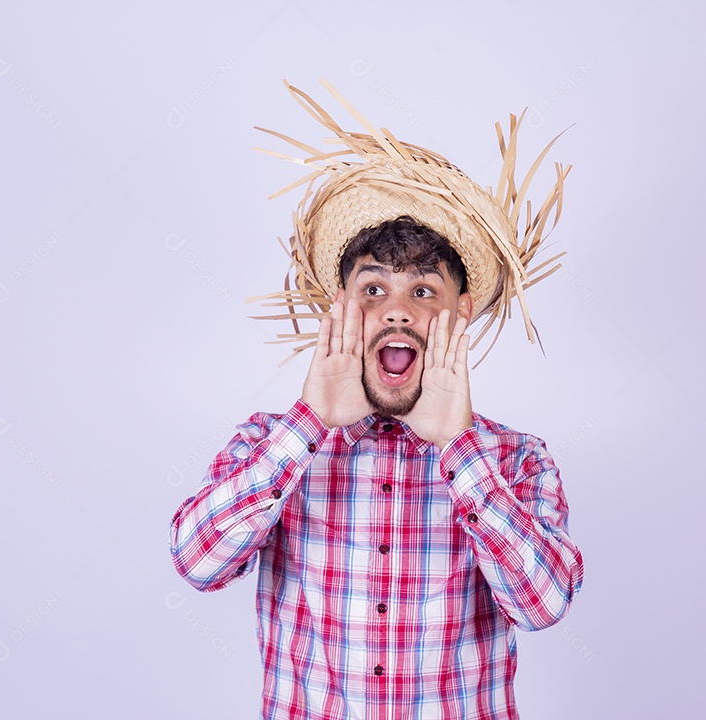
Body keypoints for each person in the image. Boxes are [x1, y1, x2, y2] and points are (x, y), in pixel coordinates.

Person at [169, 80, 584, 720]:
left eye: (423, 291)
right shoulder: (271, 444)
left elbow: (545, 603)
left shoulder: (515, 459)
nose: (395, 312)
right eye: (372, 290)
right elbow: (196, 560)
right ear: (340, 308)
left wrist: (458, 450)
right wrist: (307, 425)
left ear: (460, 311)